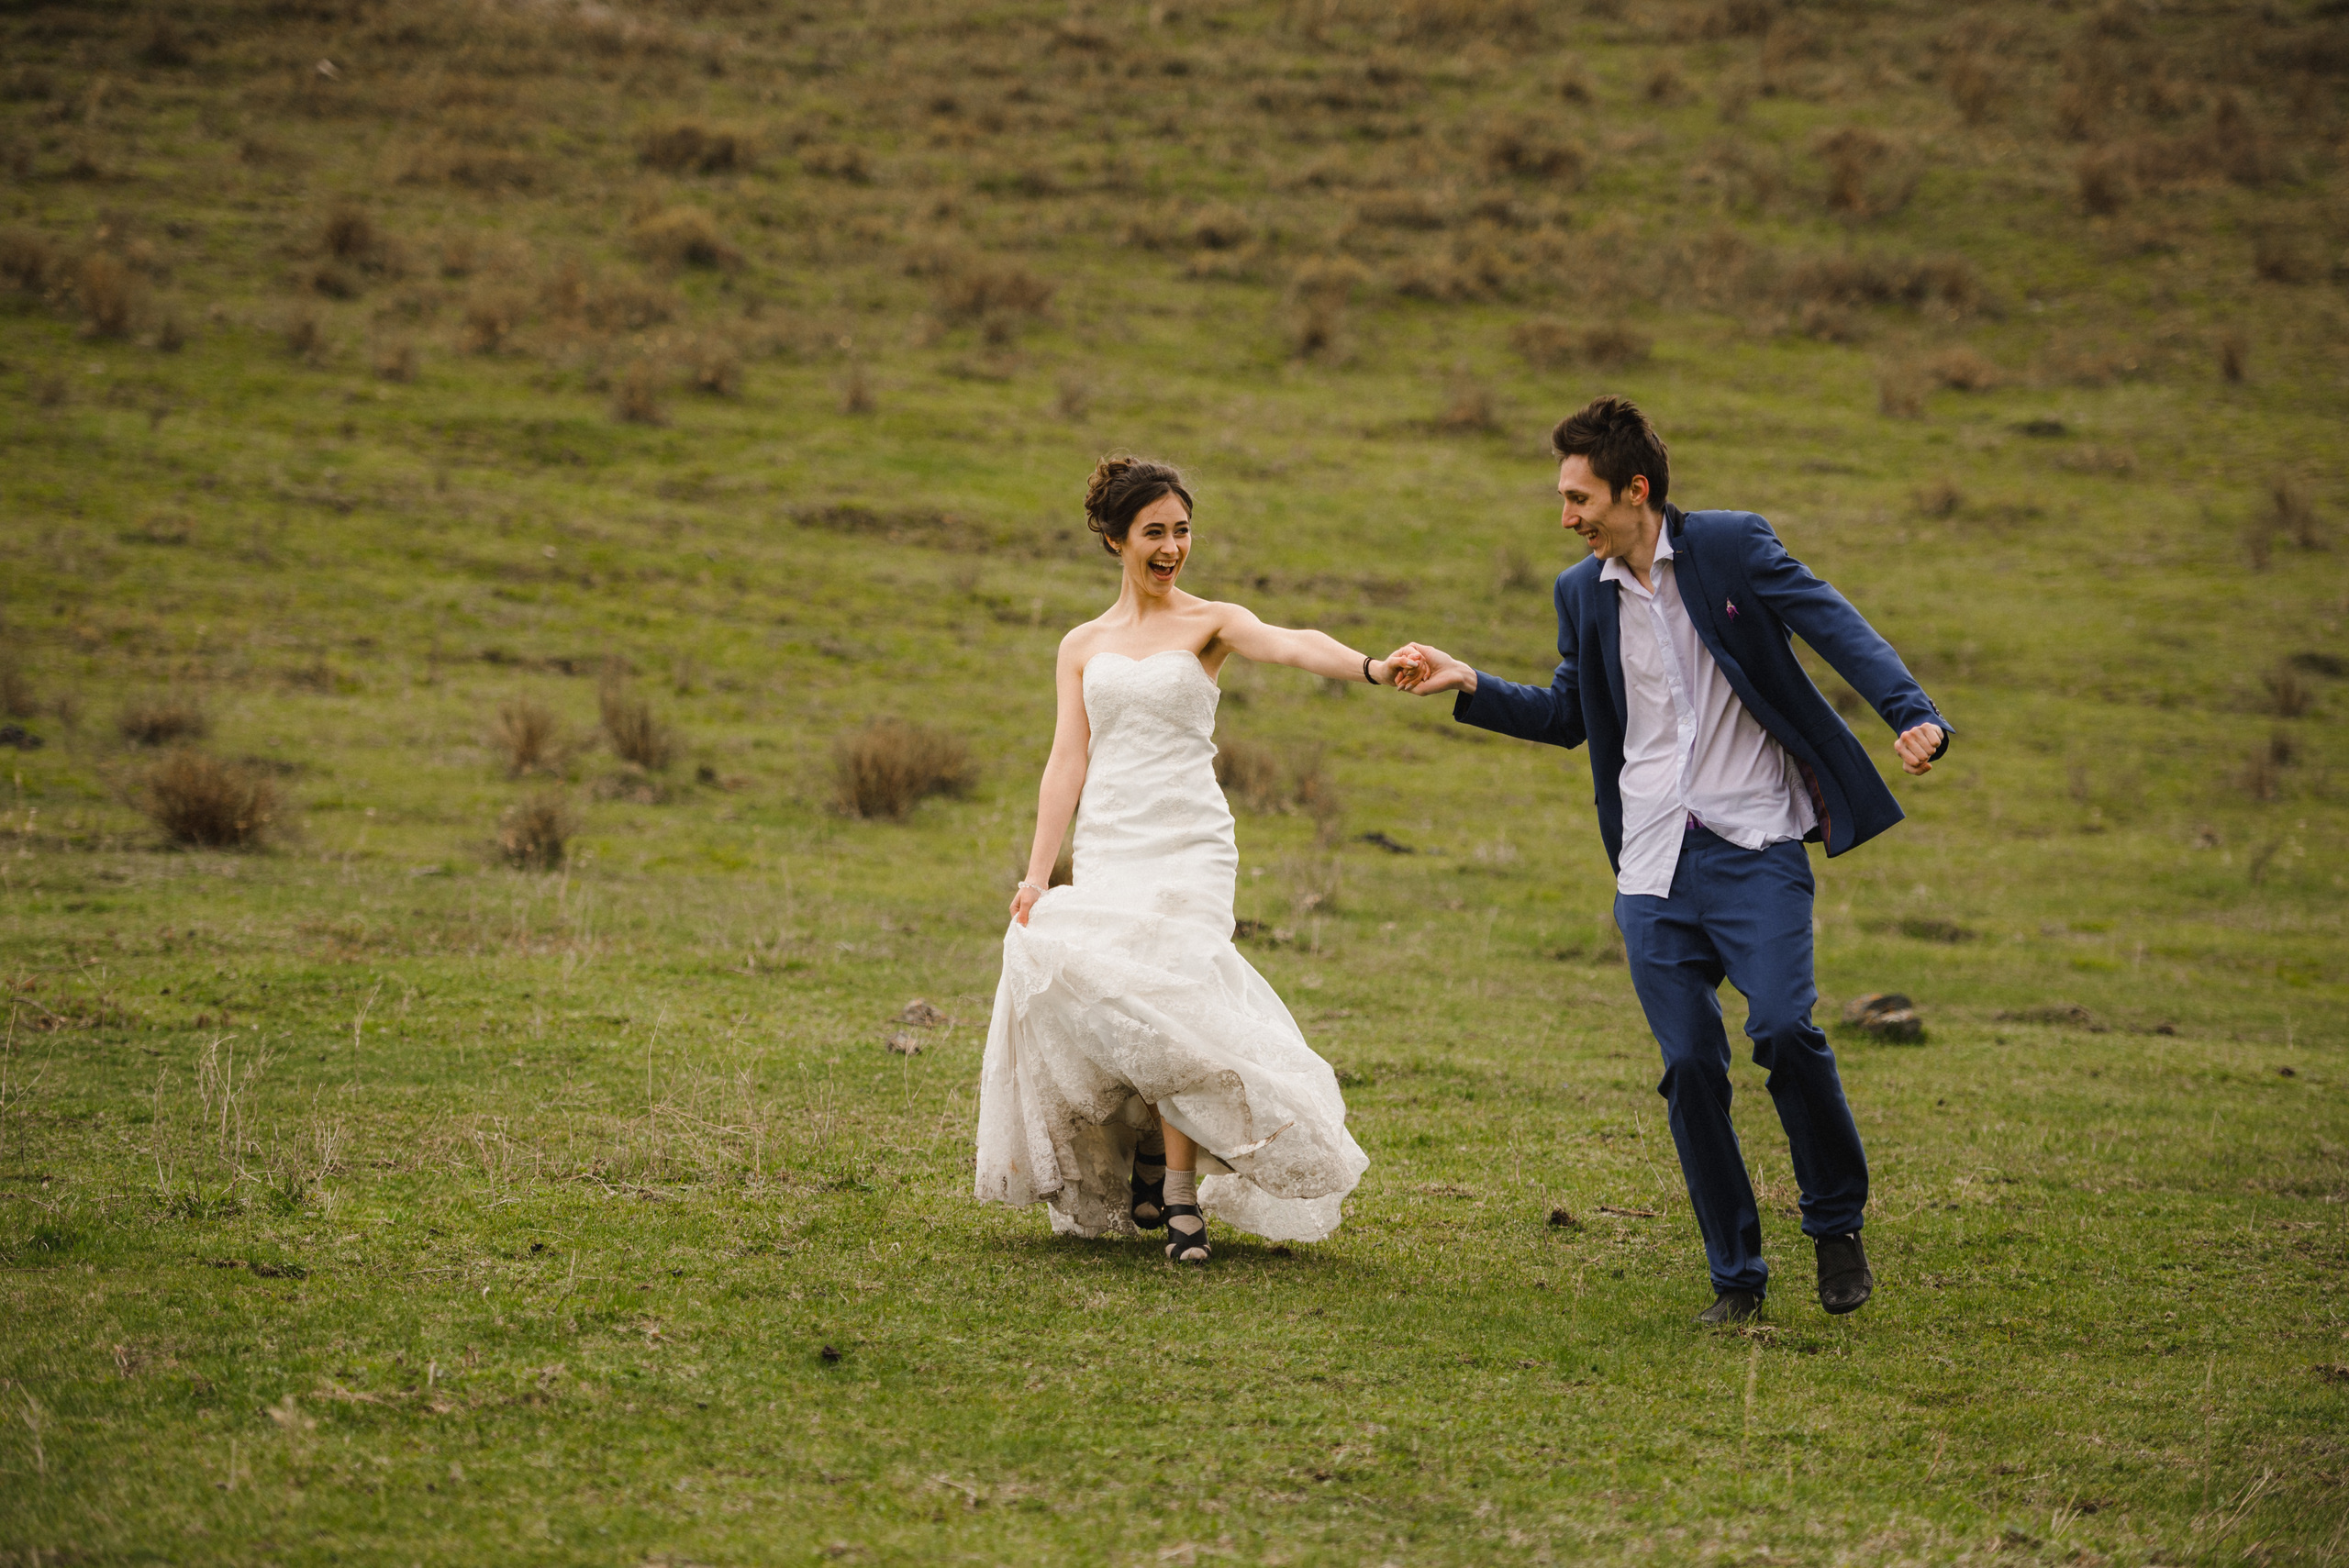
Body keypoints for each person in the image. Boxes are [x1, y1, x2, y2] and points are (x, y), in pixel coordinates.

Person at [1387, 395, 1950, 1323]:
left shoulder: (1731, 548)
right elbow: (1572, 715)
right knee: (1690, 1065)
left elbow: (1833, 622)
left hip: (1754, 847)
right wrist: (1470, 682)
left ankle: (1835, 1220)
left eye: (1579, 497)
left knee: (1779, 1027)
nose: (1566, 516)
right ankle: (1736, 1280)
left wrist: (1910, 712)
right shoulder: (1581, 594)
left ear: (1633, 489)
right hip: (1649, 868)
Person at [974, 457, 1376, 1265]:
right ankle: (1149, 1158)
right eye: (1154, 532)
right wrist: (1035, 870)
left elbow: (1292, 644)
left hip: (1191, 838)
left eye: (1182, 530)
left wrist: (1369, 666)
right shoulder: (1081, 644)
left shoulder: (1212, 621)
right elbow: (1066, 761)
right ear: (1116, 538)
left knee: (1182, 992)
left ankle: (1184, 1198)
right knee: (1119, 992)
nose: (1171, 547)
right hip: (1114, 839)